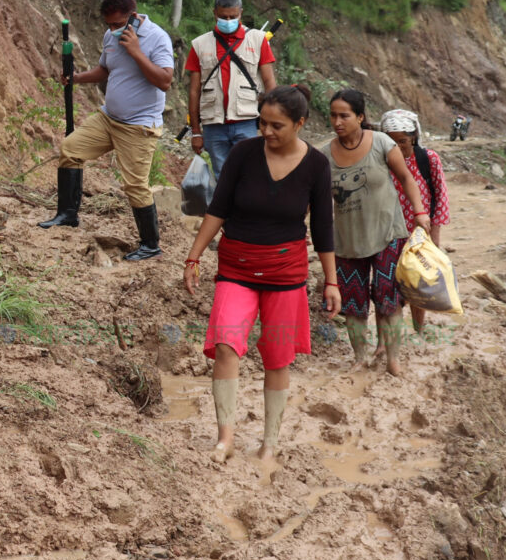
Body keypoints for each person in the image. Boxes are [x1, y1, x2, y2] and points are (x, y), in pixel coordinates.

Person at [183, 86, 339, 462]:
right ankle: (225, 438)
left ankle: (269, 443)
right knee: (225, 343)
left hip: (286, 272)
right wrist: (193, 256)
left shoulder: (316, 165)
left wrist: (331, 281)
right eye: (262, 123)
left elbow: (322, 227)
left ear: (300, 124)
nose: (266, 132)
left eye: (277, 125)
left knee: (278, 355)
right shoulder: (242, 154)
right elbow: (217, 208)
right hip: (236, 267)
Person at [37, 0, 174, 261]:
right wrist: (76, 78)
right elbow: (106, 70)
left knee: (135, 185)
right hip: (108, 118)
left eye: (117, 24)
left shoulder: (157, 38)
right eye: (108, 25)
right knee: (71, 148)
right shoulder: (110, 36)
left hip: (139, 126)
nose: (112, 30)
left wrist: (136, 52)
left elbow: (165, 81)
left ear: (133, 18)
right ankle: (67, 215)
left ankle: (150, 243)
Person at [322, 89, 431, 374]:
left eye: (344, 115)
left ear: (360, 117)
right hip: (346, 242)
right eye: (333, 115)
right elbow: (316, 200)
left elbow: (406, 178)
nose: (337, 121)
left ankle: (393, 359)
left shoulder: (381, 143)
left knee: (388, 299)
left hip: (387, 235)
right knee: (353, 303)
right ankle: (360, 358)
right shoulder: (324, 156)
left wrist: (419, 212)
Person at [184, 0, 277, 173]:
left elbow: (270, 84)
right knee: (222, 178)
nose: (228, 21)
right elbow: (194, 91)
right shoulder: (199, 45)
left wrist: (272, 123)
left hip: (247, 122)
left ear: (241, 13)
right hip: (213, 125)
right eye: (223, 17)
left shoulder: (258, 40)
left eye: (233, 16)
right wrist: (196, 131)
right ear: (214, 13)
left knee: (249, 175)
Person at [381, 108, 451, 333]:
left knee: (418, 283)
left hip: (419, 233)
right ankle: (396, 335)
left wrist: (435, 238)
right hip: (389, 232)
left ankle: (418, 331)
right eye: (392, 142)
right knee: (392, 285)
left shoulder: (428, 159)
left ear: (413, 137)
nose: (398, 147)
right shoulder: (382, 160)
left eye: (402, 141)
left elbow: (440, 196)